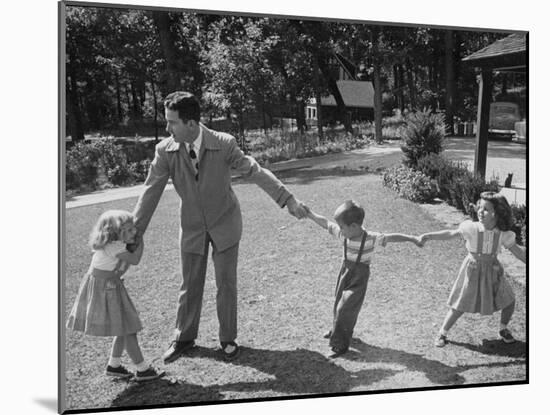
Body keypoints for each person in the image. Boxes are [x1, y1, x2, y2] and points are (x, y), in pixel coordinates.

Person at [132, 91, 308, 363]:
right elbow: (150, 192)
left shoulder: (224, 143)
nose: (167, 128)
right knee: (189, 284)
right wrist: (134, 232)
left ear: (191, 124)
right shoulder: (165, 150)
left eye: (172, 122)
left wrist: (288, 200)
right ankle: (184, 338)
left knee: (226, 283)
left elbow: (255, 170)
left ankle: (228, 338)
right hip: (191, 227)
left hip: (225, 223)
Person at [306, 200, 422, 357]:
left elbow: (391, 237)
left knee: (345, 308)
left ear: (354, 226)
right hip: (344, 274)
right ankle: (337, 330)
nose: (340, 230)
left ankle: (340, 345)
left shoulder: (371, 238)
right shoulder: (343, 235)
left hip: (359, 279)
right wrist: (310, 214)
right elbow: (326, 223)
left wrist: (412, 238)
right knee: (338, 303)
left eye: (342, 227)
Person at [66, 210, 165, 382]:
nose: (134, 232)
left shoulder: (113, 244)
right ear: (113, 233)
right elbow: (135, 260)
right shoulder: (114, 246)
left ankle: (114, 365)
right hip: (106, 288)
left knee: (123, 326)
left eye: (133, 228)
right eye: (128, 230)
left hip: (110, 286)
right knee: (128, 329)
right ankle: (143, 369)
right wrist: (140, 241)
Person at [420, 191, 526, 347]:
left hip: (493, 272)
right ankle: (442, 332)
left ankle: (503, 328)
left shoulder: (503, 234)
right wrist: (429, 236)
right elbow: (451, 233)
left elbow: (517, 252)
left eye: (486, 209)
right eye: (480, 208)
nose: (481, 212)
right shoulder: (471, 228)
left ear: (497, 213)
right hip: (473, 270)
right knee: (461, 304)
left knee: (509, 300)